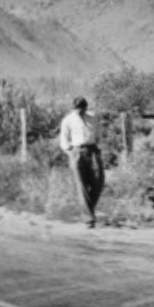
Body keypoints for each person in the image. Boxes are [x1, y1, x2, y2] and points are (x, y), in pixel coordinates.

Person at [59, 96, 105, 228]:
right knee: (82, 185)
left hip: (93, 150)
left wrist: (98, 148)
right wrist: (70, 152)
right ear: (73, 108)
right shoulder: (68, 120)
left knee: (98, 182)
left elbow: (99, 133)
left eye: (81, 108)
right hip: (77, 151)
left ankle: (89, 210)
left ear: (85, 107)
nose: (79, 111)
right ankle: (89, 218)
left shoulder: (93, 117)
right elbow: (64, 139)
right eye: (76, 109)